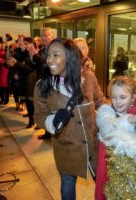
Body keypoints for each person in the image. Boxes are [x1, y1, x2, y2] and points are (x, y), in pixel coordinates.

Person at [33, 38, 106, 200]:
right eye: (48, 55)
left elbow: (100, 101)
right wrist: (52, 121)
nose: (49, 59)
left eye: (56, 55)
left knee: (103, 184)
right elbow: (39, 116)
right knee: (67, 183)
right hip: (66, 147)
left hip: (93, 143)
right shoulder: (42, 86)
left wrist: (111, 119)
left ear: (70, 57)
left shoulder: (88, 77)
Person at [37, 27, 56, 139]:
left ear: (52, 36)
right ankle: (47, 131)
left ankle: (52, 130)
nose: (44, 37)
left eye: (46, 35)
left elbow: (50, 64)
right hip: (44, 81)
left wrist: (36, 56)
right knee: (44, 107)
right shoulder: (42, 49)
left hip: (52, 82)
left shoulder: (55, 49)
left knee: (52, 106)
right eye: (42, 35)